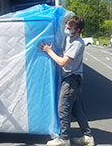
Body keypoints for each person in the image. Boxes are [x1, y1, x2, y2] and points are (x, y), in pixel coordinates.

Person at [38, 16, 95, 146]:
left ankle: (64, 139)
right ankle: (87, 136)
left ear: (78, 29)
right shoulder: (69, 39)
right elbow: (64, 54)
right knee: (76, 109)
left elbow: (63, 62)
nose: (67, 28)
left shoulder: (78, 43)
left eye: (70, 27)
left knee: (62, 108)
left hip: (72, 80)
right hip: (72, 79)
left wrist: (49, 51)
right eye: (67, 26)